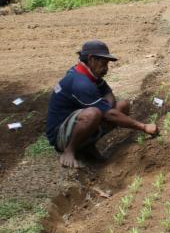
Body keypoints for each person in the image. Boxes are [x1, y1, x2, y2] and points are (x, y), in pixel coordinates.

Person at [46, 40, 159, 168]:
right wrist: (143, 127)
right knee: (94, 113)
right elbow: (107, 112)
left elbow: (109, 95)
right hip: (59, 135)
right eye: (103, 63)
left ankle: (87, 145)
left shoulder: (86, 72)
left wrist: (106, 112)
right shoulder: (80, 82)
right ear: (92, 59)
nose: (106, 68)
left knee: (121, 106)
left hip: (75, 124)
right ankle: (69, 150)